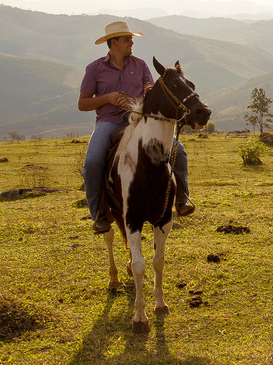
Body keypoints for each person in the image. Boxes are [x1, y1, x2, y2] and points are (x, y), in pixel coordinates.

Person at [78, 20, 194, 234]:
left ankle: (182, 199)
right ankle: (99, 215)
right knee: (92, 163)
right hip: (109, 122)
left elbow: (150, 91)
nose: (132, 42)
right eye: (127, 39)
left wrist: (146, 96)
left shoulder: (140, 65)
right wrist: (109, 98)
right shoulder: (94, 68)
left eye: (131, 38)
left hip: (140, 120)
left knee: (180, 152)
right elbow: (83, 104)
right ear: (114, 43)